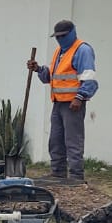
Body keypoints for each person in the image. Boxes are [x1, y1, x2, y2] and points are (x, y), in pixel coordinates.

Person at [27, 19, 98, 183]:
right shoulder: (60, 51)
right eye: (57, 37)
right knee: (56, 139)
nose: (60, 39)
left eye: (63, 36)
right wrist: (38, 69)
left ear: (72, 32)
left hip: (73, 104)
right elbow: (51, 77)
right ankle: (58, 172)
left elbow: (89, 78)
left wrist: (80, 97)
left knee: (73, 140)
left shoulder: (82, 50)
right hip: (58, 102)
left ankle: (76, 176)